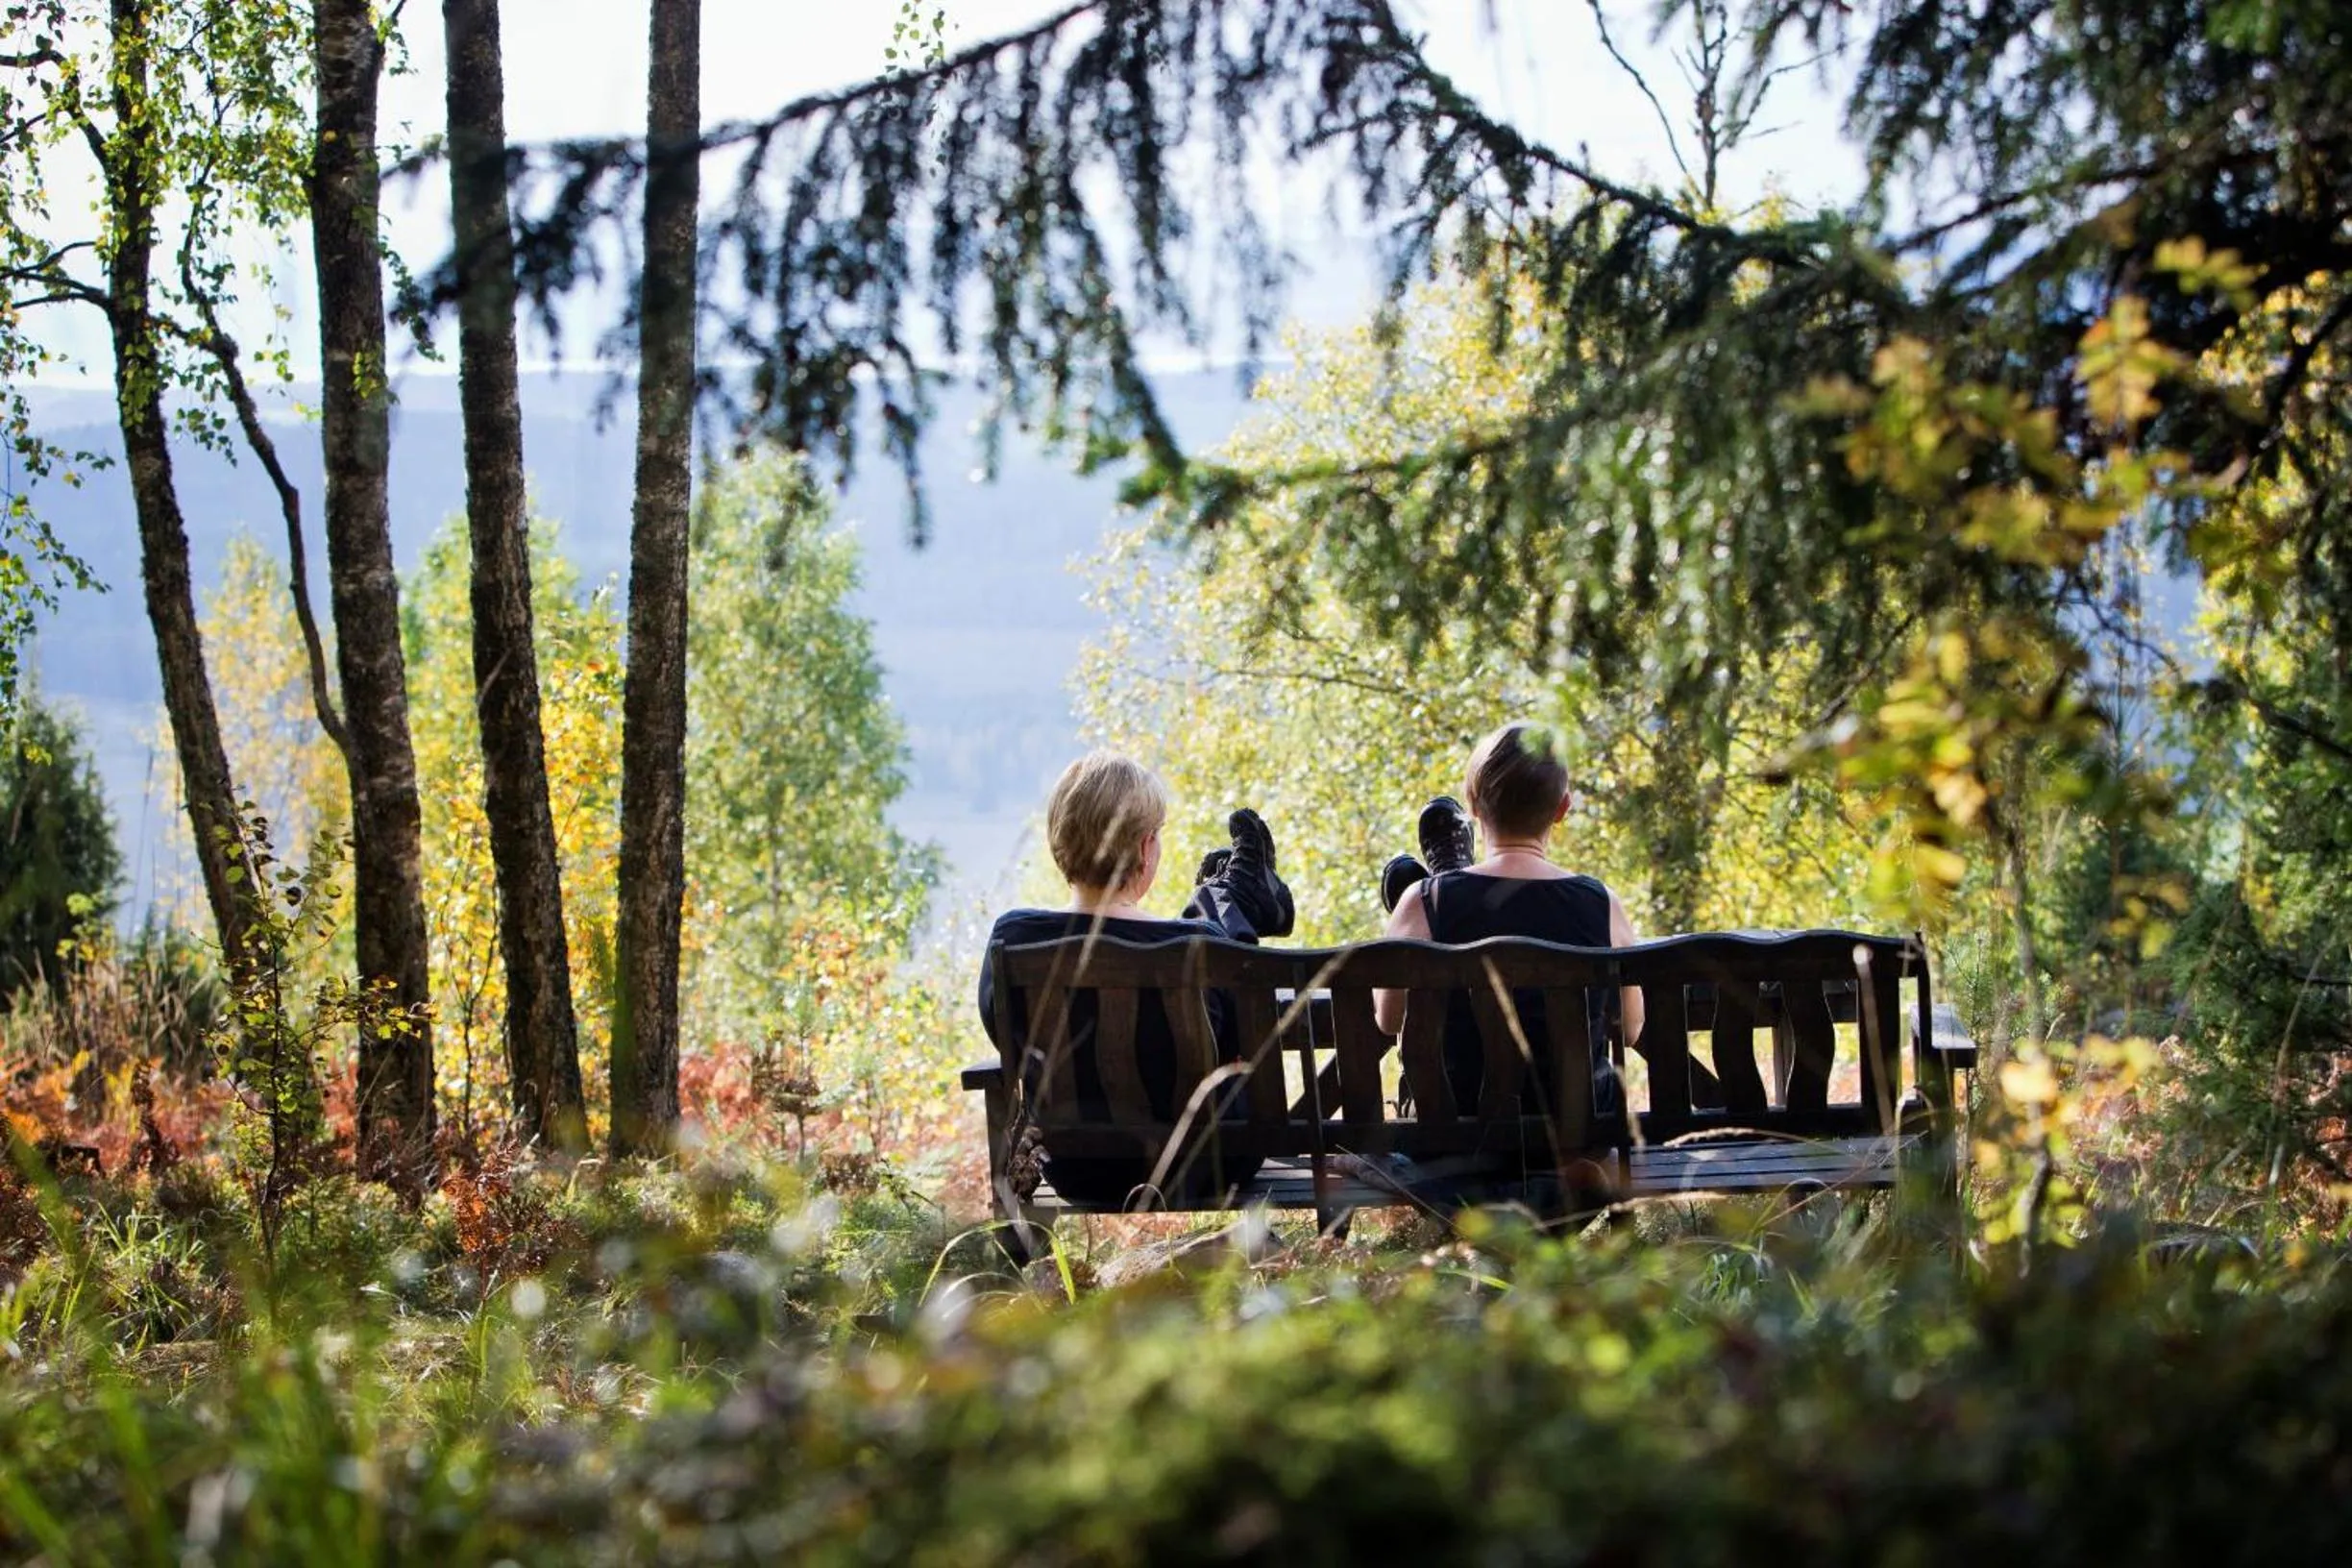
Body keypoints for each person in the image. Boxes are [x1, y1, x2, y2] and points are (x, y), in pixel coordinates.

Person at [975, 750, 1293, 1205]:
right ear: (1146, 848)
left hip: (1080, 1172)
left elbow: (1003, 1035)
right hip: (1209, 1164)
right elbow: (1242, 1041)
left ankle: (1229, 894)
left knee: (1205, 937)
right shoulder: (1192, 945)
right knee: (1214, 939)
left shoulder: (1014, 938)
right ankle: (1227, 896)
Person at [1372, 721, 1644, 1130]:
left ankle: (1451, 875)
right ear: (1562, 809)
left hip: (1454, 1133)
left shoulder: (1424, 900)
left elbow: (1389, 1020)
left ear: (1474, 805)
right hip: (1578, 1134)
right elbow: (1632, 1028)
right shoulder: (1601, 903)